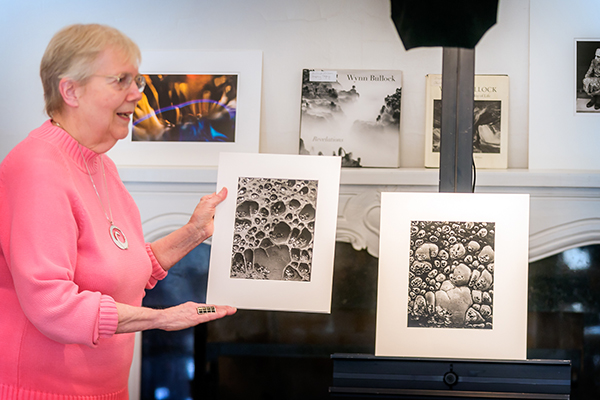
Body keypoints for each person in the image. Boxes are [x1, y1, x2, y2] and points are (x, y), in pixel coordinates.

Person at [0, 24, 236, 400]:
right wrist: (162, 318)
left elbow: (122, 267)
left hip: (104, 389)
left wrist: (195, 231)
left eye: (137, 80)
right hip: (43, 391)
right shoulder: (36, 167)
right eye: (120, 80)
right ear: (70, 90)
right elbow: (52, 305)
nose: (137, 94)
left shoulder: (100, 165)